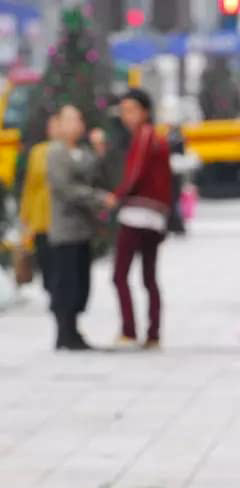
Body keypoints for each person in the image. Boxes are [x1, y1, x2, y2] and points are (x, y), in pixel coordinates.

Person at [46, 104, 115, 350]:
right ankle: (65, 332)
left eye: (79, 120)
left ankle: (73, 331)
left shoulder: (84, 152)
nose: (76, 125)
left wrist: (98, 152)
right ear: (60, 124)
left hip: (83, 229)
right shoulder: (55, 152)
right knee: (66, 283)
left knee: (81, 283)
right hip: (64, 230)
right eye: (71, 120)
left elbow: (96, 175)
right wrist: (98, 198)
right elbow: (65, 189)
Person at [111, 88, 173, 350]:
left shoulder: (145, 135)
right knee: (149, 277)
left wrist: (117, 195)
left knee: (120, 275)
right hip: (156, 216)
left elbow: (135, 171)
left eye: (131, 110)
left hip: (138, 213)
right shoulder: (156, 137)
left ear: (145, 112)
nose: (127, 116)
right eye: (124, 111)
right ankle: (153, 335)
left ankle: (128, 331)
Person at [19, 114, 60, 293]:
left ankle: (59, 293)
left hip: (61, 217)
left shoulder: (68, 150)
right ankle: (51, 290)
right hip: (40, 215)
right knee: (44, 256)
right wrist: (25, 215)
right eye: (51, 126)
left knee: (59, 258)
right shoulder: (38, 151)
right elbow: (30, 185)